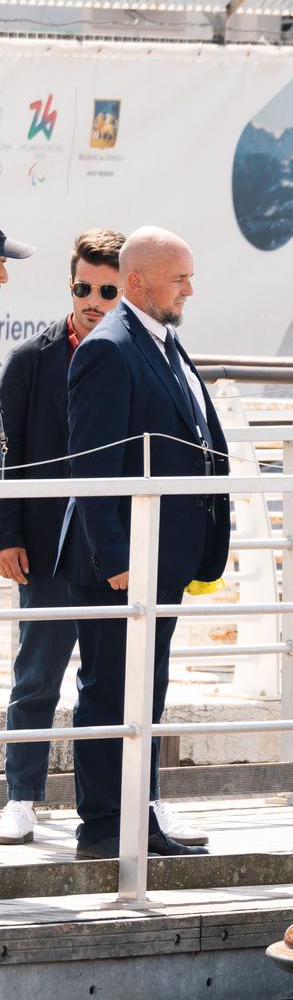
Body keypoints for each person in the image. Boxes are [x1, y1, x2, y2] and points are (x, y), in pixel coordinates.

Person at [59, 227, 230, 859]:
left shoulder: (163, 341)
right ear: (137, 282)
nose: (189, 289)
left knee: (145, 690)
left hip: (163, 556)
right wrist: (117, 560)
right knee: (110, 690)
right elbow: (93, 466)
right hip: (123, 563)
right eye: (179, 278)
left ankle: (140, 816)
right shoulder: (109, 349)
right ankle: (104, 827)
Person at [0, 230, 131, 845]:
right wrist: (7, 535)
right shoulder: (30, 360)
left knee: (118, 683)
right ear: (70, 286)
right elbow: (9, 456)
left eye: (108, 291)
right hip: (47, 546)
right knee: (36, 676)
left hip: (115, 549)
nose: (94, 301)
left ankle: (129, 803)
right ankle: (20, 796)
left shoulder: (136, 355)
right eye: (84, 288)